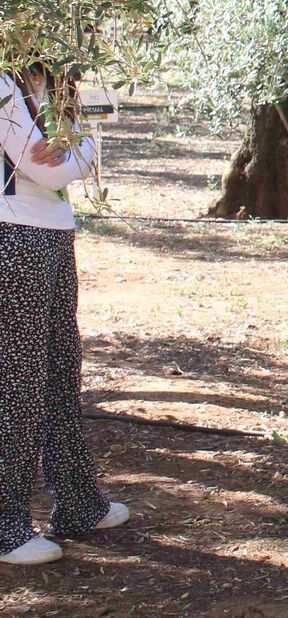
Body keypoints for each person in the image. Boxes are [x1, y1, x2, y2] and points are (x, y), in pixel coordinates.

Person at [1, 66, 130, 566]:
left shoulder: (52, 83)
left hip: (51, 230)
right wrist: (85, 144)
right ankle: (5, 524)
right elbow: (48, 170)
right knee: (18, 378)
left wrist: (81, 139)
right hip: (15, 236)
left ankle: (78, 502)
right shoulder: (3, 83)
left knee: (59, 370)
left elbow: (79, 141)